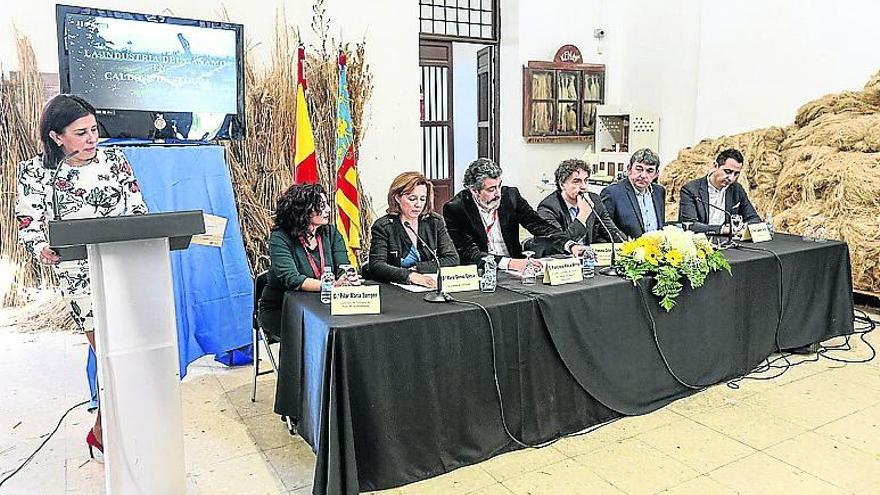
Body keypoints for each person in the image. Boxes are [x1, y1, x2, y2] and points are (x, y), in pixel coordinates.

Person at [15, 94, 149, 458]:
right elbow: (30, 227)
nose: (92, 139)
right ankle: (111, 431)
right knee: (109, 353)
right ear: (57, 137)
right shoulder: (35, 172)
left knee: (131, 353)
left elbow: (137, 209)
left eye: (93, 130)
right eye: (81, 133)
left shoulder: (115, 161)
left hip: (125, 266)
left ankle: (106, 430)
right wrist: (42, 249)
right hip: (80, 277)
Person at [443, 158, 583, 271]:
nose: (498, 194)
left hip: (516, 270)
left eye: (499, 186)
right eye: (491, 189)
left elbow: (539, 226)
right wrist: (511, 263)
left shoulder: (511, 196)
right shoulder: (456, 209)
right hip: (482, 271)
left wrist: (570, 245)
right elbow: (470, 254)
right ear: (474, 190)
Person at [258, 183, 358, 337]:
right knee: (317, 335)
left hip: (322, 304)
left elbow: (343, 266)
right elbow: (292, 279)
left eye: (327, 205)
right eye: (321, 206)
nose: (328, 210)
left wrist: (348, 277)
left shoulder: (331, 232)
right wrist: (331, 286)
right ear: (303, 210)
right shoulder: (280, 237)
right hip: (284, 307)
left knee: (351, 329)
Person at [367, 172, 459, 288]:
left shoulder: (434, 222)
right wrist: (410, 276)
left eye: (422, 199)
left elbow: (452, 259)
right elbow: (377, 265)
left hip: (429, 285)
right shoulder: (383, 226)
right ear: (397, 198)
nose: (418, 205)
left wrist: (418, 268)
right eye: (412, 199)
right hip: (395, 289)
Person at [537, 158, 626, 244]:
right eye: (576, 181)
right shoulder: (547, 208)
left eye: (585, 180)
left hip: (588, 256)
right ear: (562, 184)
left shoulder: (594, 200)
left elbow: (612, 231)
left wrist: (629, 246)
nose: (584, 186)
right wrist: (582, 216)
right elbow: (559, 243)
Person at [678, 148, 761, 234]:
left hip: (729, 243)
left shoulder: (737, 189)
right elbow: (689, 225)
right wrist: (723, 229)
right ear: (715, 166)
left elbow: (754, 219)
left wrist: (744, 227)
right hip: (700, 241)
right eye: (728, 172)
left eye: (736, 174)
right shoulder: (691, 189)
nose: (731, 178)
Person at [599, 148, 666, 240]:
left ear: (656, 174)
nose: (643, 175)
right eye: (639, 169)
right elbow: (603, 229)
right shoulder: (612, 193)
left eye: (649, 171)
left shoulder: (659, 191)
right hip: (625, 250)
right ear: (629, 169)